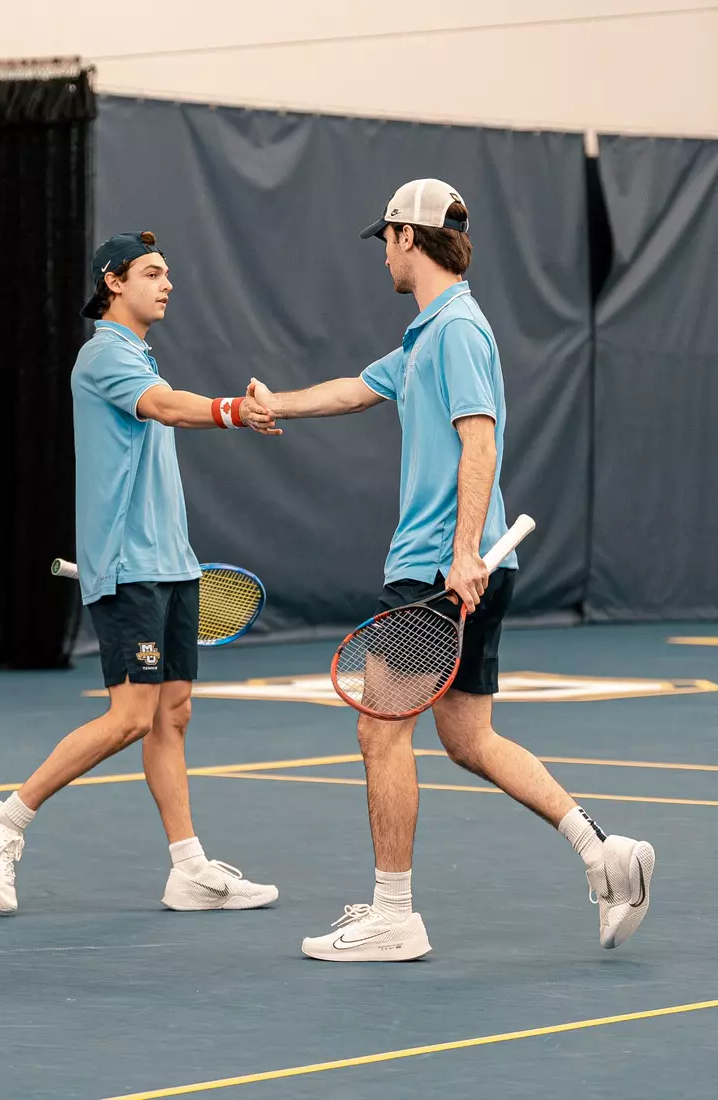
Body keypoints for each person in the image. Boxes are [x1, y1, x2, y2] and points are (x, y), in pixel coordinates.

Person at [248, 180, 655, 961]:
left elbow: (481, 439)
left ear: (408, 236)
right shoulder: (424, 337)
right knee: (469, 738)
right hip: (466, 566)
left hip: (440, 569)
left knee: (379, 731)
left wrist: (464, 551)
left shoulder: (458, 330)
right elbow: (354, 389)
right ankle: (604, 854)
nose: (384, 255)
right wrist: (277, 404)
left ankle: (394, 916)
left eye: (386, 239)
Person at [0, 230, 281, 915]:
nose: (168, 284)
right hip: (130, 567)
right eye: (152, 273)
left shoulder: (138, 355)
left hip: (173, 565)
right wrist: (234, 410)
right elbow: (166, 407)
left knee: (173, 714)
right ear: (113, 281)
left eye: (168, 273)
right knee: (131, 717)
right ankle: (4, 819)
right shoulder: (104, 354)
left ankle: (188, 868)